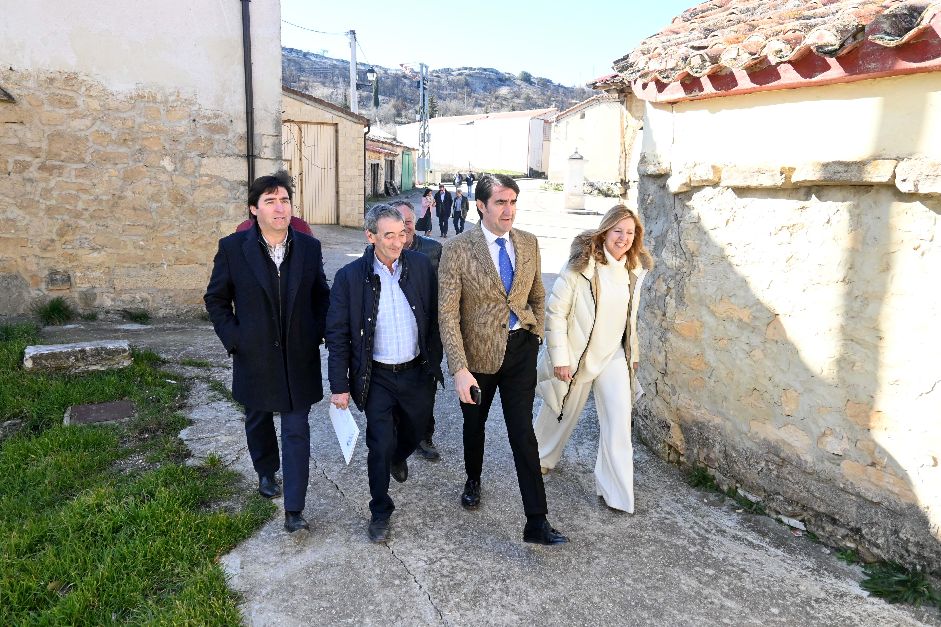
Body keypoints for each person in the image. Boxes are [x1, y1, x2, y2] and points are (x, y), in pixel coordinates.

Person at [438, 173, 567, 545]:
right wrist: (459, 368)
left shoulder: (528, 243)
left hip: (520, 350)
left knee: (522, 434)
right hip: (477, 358)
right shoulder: (459, 249)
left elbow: (538, 295)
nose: (508, 210)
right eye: (500, 202)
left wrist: (535, 332)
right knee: (474, 425)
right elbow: (447, 313)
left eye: (512, 202)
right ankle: (473, 478)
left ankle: (537, 521)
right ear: (481, 205)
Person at [204, 171, 330, 534]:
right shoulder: (233, 249)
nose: (280, 208)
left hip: (298, 357)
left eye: (285, 200)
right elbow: (216, 300)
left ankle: (294, 509)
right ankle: (264, 470)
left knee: (296, 429)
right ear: (254, 209)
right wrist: (236, 340)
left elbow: (321, 295)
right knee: (258, 419)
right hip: (254, 355)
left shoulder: (309, 248)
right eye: (271, 201)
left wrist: (316, 332)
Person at [326, 204, 443, 543]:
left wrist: (435, 359)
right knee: (378, 445)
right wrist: (339, 385)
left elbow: (435, 315)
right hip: (376, 376)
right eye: (388, 235)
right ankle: (380, 510)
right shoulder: (350, 277)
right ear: (371, 236)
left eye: (402, 234)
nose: (397, 242)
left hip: (415, 371)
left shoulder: (420, 266)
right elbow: (337, 335)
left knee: (416, 429)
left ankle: (399, 455)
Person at [533, 205, 654, 513]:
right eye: (618, 231)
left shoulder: (633, 269)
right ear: (605, 231)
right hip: (577, 355)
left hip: (613, 356)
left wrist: (633, 355)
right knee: (561, 411)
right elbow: (556, 312)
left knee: (618, 422)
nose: (623, 238)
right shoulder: (581, 266)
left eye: (630, 233)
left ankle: (616, 493)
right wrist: (560, 357)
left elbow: (630, 320)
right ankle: (540, 457)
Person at [392, 200, 444, 461]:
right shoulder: (382, 250)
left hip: (428, 332)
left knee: (426, 386)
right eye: (399, 224)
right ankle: (399, 434)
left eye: (409, 223)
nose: (405, 229)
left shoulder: (434, 250)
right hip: (395, 331)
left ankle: (424, 435)